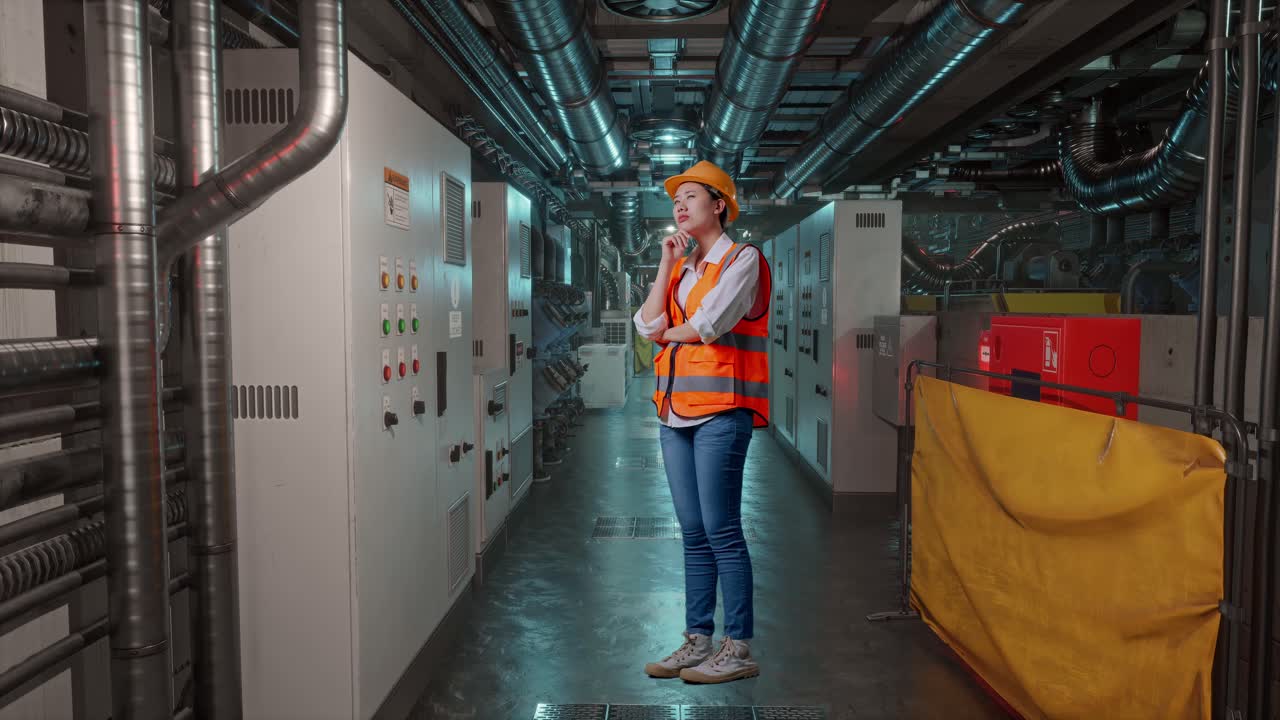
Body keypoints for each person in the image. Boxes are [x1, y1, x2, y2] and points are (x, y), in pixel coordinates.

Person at [633, 160, 771, 684]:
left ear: (720, 205)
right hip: (674, 415)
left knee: (722, 530)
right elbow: (647, 323)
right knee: (693, 531)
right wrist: (666, 265)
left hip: (721, 414)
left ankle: (738, 647)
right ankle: (698, 639)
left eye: (692, 196)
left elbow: (708, 324)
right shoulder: (686, 270)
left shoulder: (743, 259)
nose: (680, 205)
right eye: (676, 199)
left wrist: (669, 333)